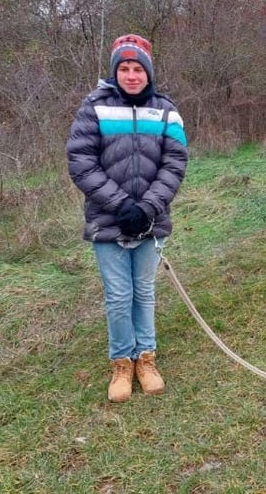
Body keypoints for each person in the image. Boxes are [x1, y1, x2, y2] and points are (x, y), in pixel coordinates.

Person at [67, 34, 188, 402]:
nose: (131, 75)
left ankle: (146, 358)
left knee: (144, 291)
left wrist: (147, 208)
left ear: (148, 72)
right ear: (115, 71)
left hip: (151, 222)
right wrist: (121, 205)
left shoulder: (166, 110)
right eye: (124, 68)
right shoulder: (93, 108)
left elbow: (175, 162)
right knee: (119, 297)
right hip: (108, 222)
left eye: (138, 68)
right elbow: (80, 161)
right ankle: (122, 362)